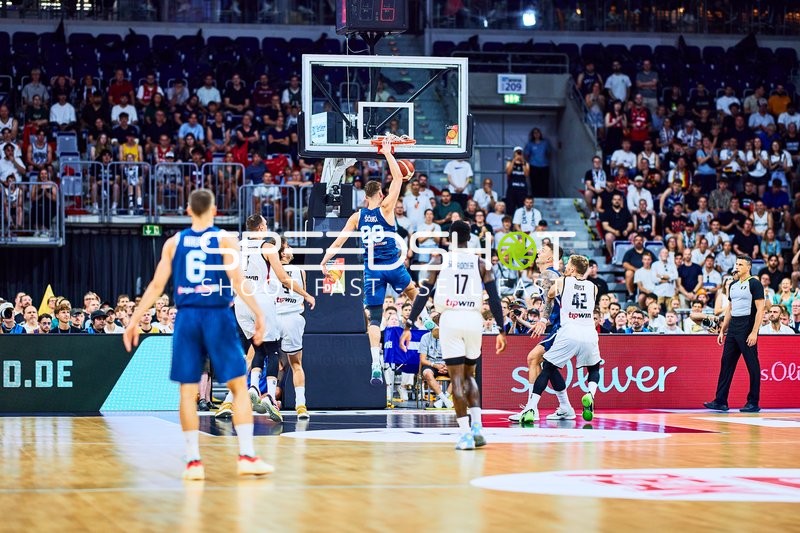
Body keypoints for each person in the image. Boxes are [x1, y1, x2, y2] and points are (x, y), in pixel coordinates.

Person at [122, 189, 273, 480]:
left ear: (189, 211)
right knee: (239, 387)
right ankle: (246, 456)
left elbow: (155, 286)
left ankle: (193, 461)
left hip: (187, 317)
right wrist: (259, 313)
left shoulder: (174, 242)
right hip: (216, 315)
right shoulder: (224, 239)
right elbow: (239, 282)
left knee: (187, 391)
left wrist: (134, 319)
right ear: (214, 210)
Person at [399, 220, 506, 450]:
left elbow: (423, 294)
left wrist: (408, 324)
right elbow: (495, 299)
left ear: (450, 237)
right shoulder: (481, 263)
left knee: (456, 379)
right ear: (470, 238)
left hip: (450, 318)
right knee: (470, 376)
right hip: (473, 319)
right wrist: (502, 329)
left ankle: (466, 434)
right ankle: (478, 428)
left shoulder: (440, 260)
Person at [320, 141, 418, 385]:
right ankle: (422, 317)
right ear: (381, 194)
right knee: (413, 291)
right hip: (391, 264)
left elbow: (339, 241)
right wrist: (387, 153)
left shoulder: (357, 216)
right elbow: (397, 177)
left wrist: (325, 259)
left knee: (374, 318)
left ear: (365, 198)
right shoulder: (387, 208)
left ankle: (375, 361)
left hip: (372, 269)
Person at [223, 214, 315, 423]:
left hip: (246, 303)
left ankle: (230, 399)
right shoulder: (297, 270)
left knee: (254, 353)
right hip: (280, 312)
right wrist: (307, 295)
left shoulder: (240, 247)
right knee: (291, 361)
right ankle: (291, 403)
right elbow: (283, 278)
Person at [520, 255, 603, 424]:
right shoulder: (593, 287)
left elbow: (550, 295)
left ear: (572, 269)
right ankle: (590, 394)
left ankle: (531, 407)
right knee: (594, 368)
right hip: (589, 333)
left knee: (547, 368)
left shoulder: (563, 282)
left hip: (569, 331)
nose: (565, 267)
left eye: (567, 265)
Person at [704, 255, 766, 413]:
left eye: (740, 264)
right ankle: (720, 401)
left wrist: (754, 332)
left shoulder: (755, 283)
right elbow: (730, 309)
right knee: (726, 364)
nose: (737, 266)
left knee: (752, 365)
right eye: (736, 264)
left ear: (748, 267)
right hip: (733, 328)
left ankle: (753, 402)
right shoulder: (732, 285)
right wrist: (723, 330)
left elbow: (760, 309)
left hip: (747, 326)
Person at [508, 243, 562, 422]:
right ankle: (564, 407)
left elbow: (550, 302)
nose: (539, 251)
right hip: (557, 326)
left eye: (544, 250)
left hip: (561, 327)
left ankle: (532, 409)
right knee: (548, 366)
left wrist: (543, 320)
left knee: (533, 358)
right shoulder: (552, 274)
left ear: (550, 258)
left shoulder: (548, 274)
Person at [275, 239, 311, 419]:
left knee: (260, 360)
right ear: (282, 253)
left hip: (273, 317)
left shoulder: (270, 270)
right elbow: (303, 297)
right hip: (292, 317)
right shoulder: (300, 271)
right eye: (287, 247)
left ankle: (232, 399)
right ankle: (301, 405)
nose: (290, 249)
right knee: (296, 364)